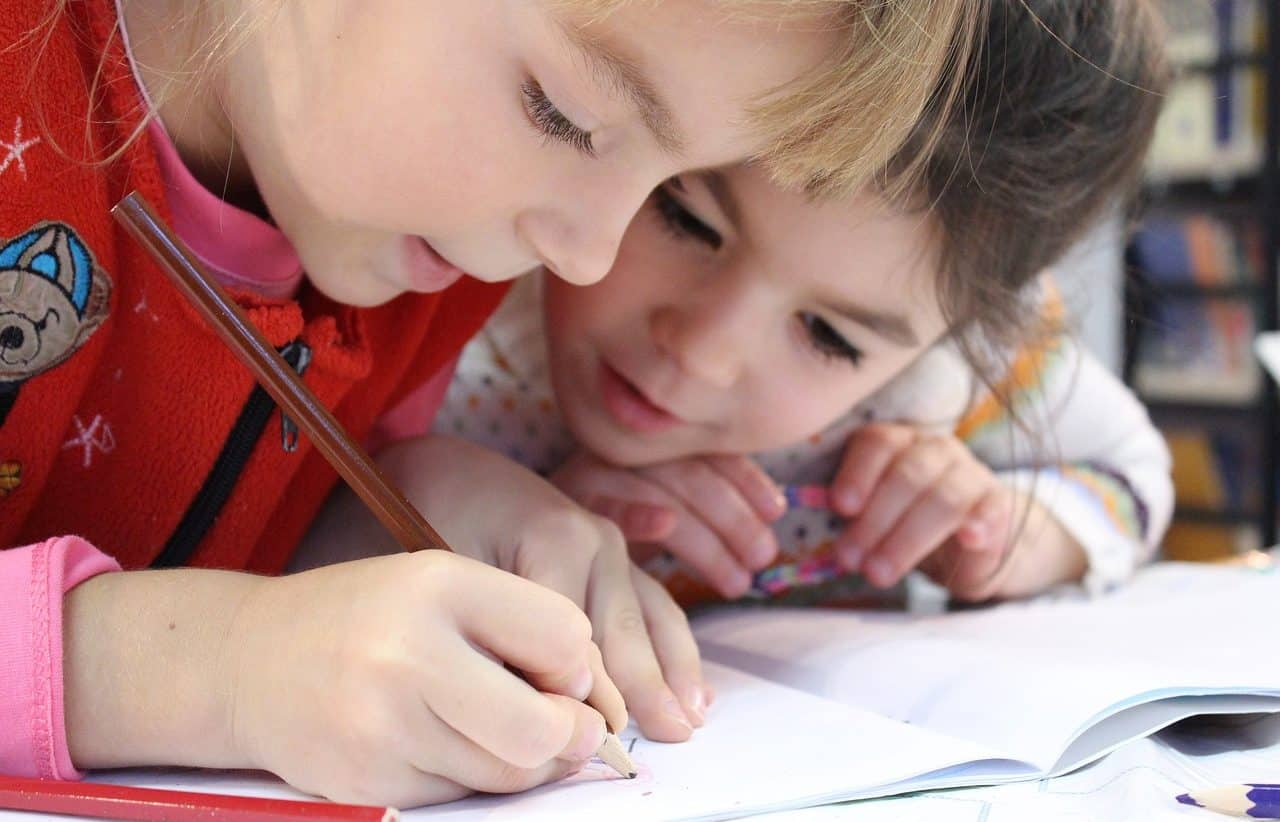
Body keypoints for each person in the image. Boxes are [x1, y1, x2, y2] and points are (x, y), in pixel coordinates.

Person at [0, 0, 981, 807]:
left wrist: (407, 502)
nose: (586, 254)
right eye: (564, 116)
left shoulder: (430, 262)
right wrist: (208, 673)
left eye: (668, 183)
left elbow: (223, 528)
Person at [427, 0, 1174, 608]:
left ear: (960, 334)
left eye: (828, 336)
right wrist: (494, 517)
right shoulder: (455, 279)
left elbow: (1133, 474)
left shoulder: (951, 378)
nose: (700, 351)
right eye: (683, 218)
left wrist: (1015, 533)